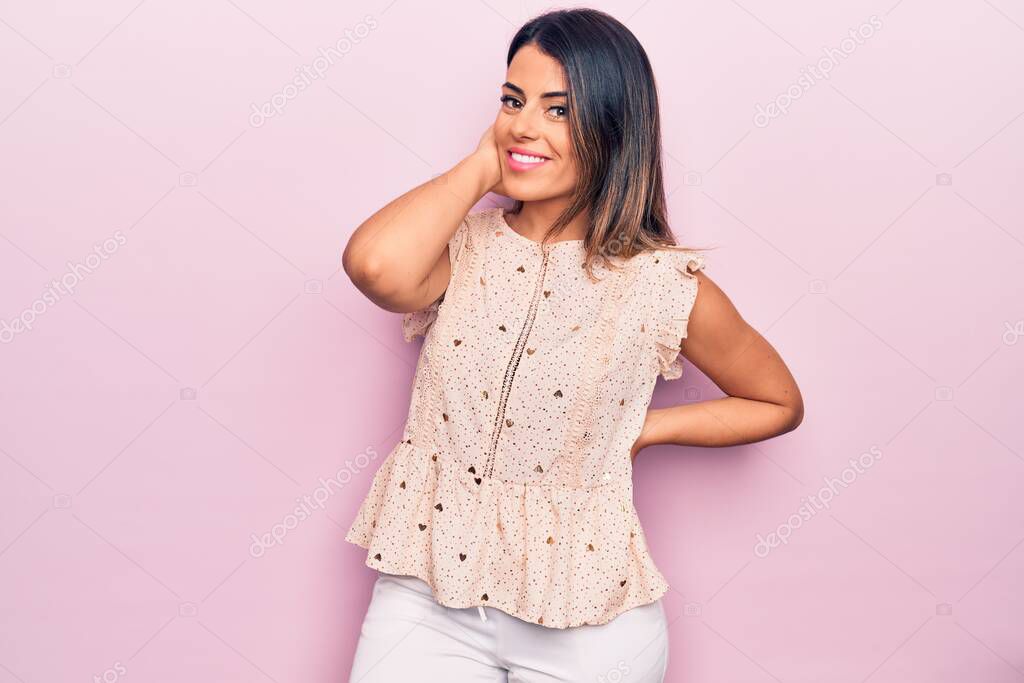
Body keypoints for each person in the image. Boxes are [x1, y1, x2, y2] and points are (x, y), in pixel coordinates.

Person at [341, 8, 804, 682]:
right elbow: (375, 268)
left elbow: (777, 400)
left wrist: (642, 430)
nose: (524, 124)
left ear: (614, 130)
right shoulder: (462, 247)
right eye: (512, 101)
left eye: (558, 110)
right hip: (426, 591)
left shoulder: (659, 283)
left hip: (588, 622)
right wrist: (479, 165)